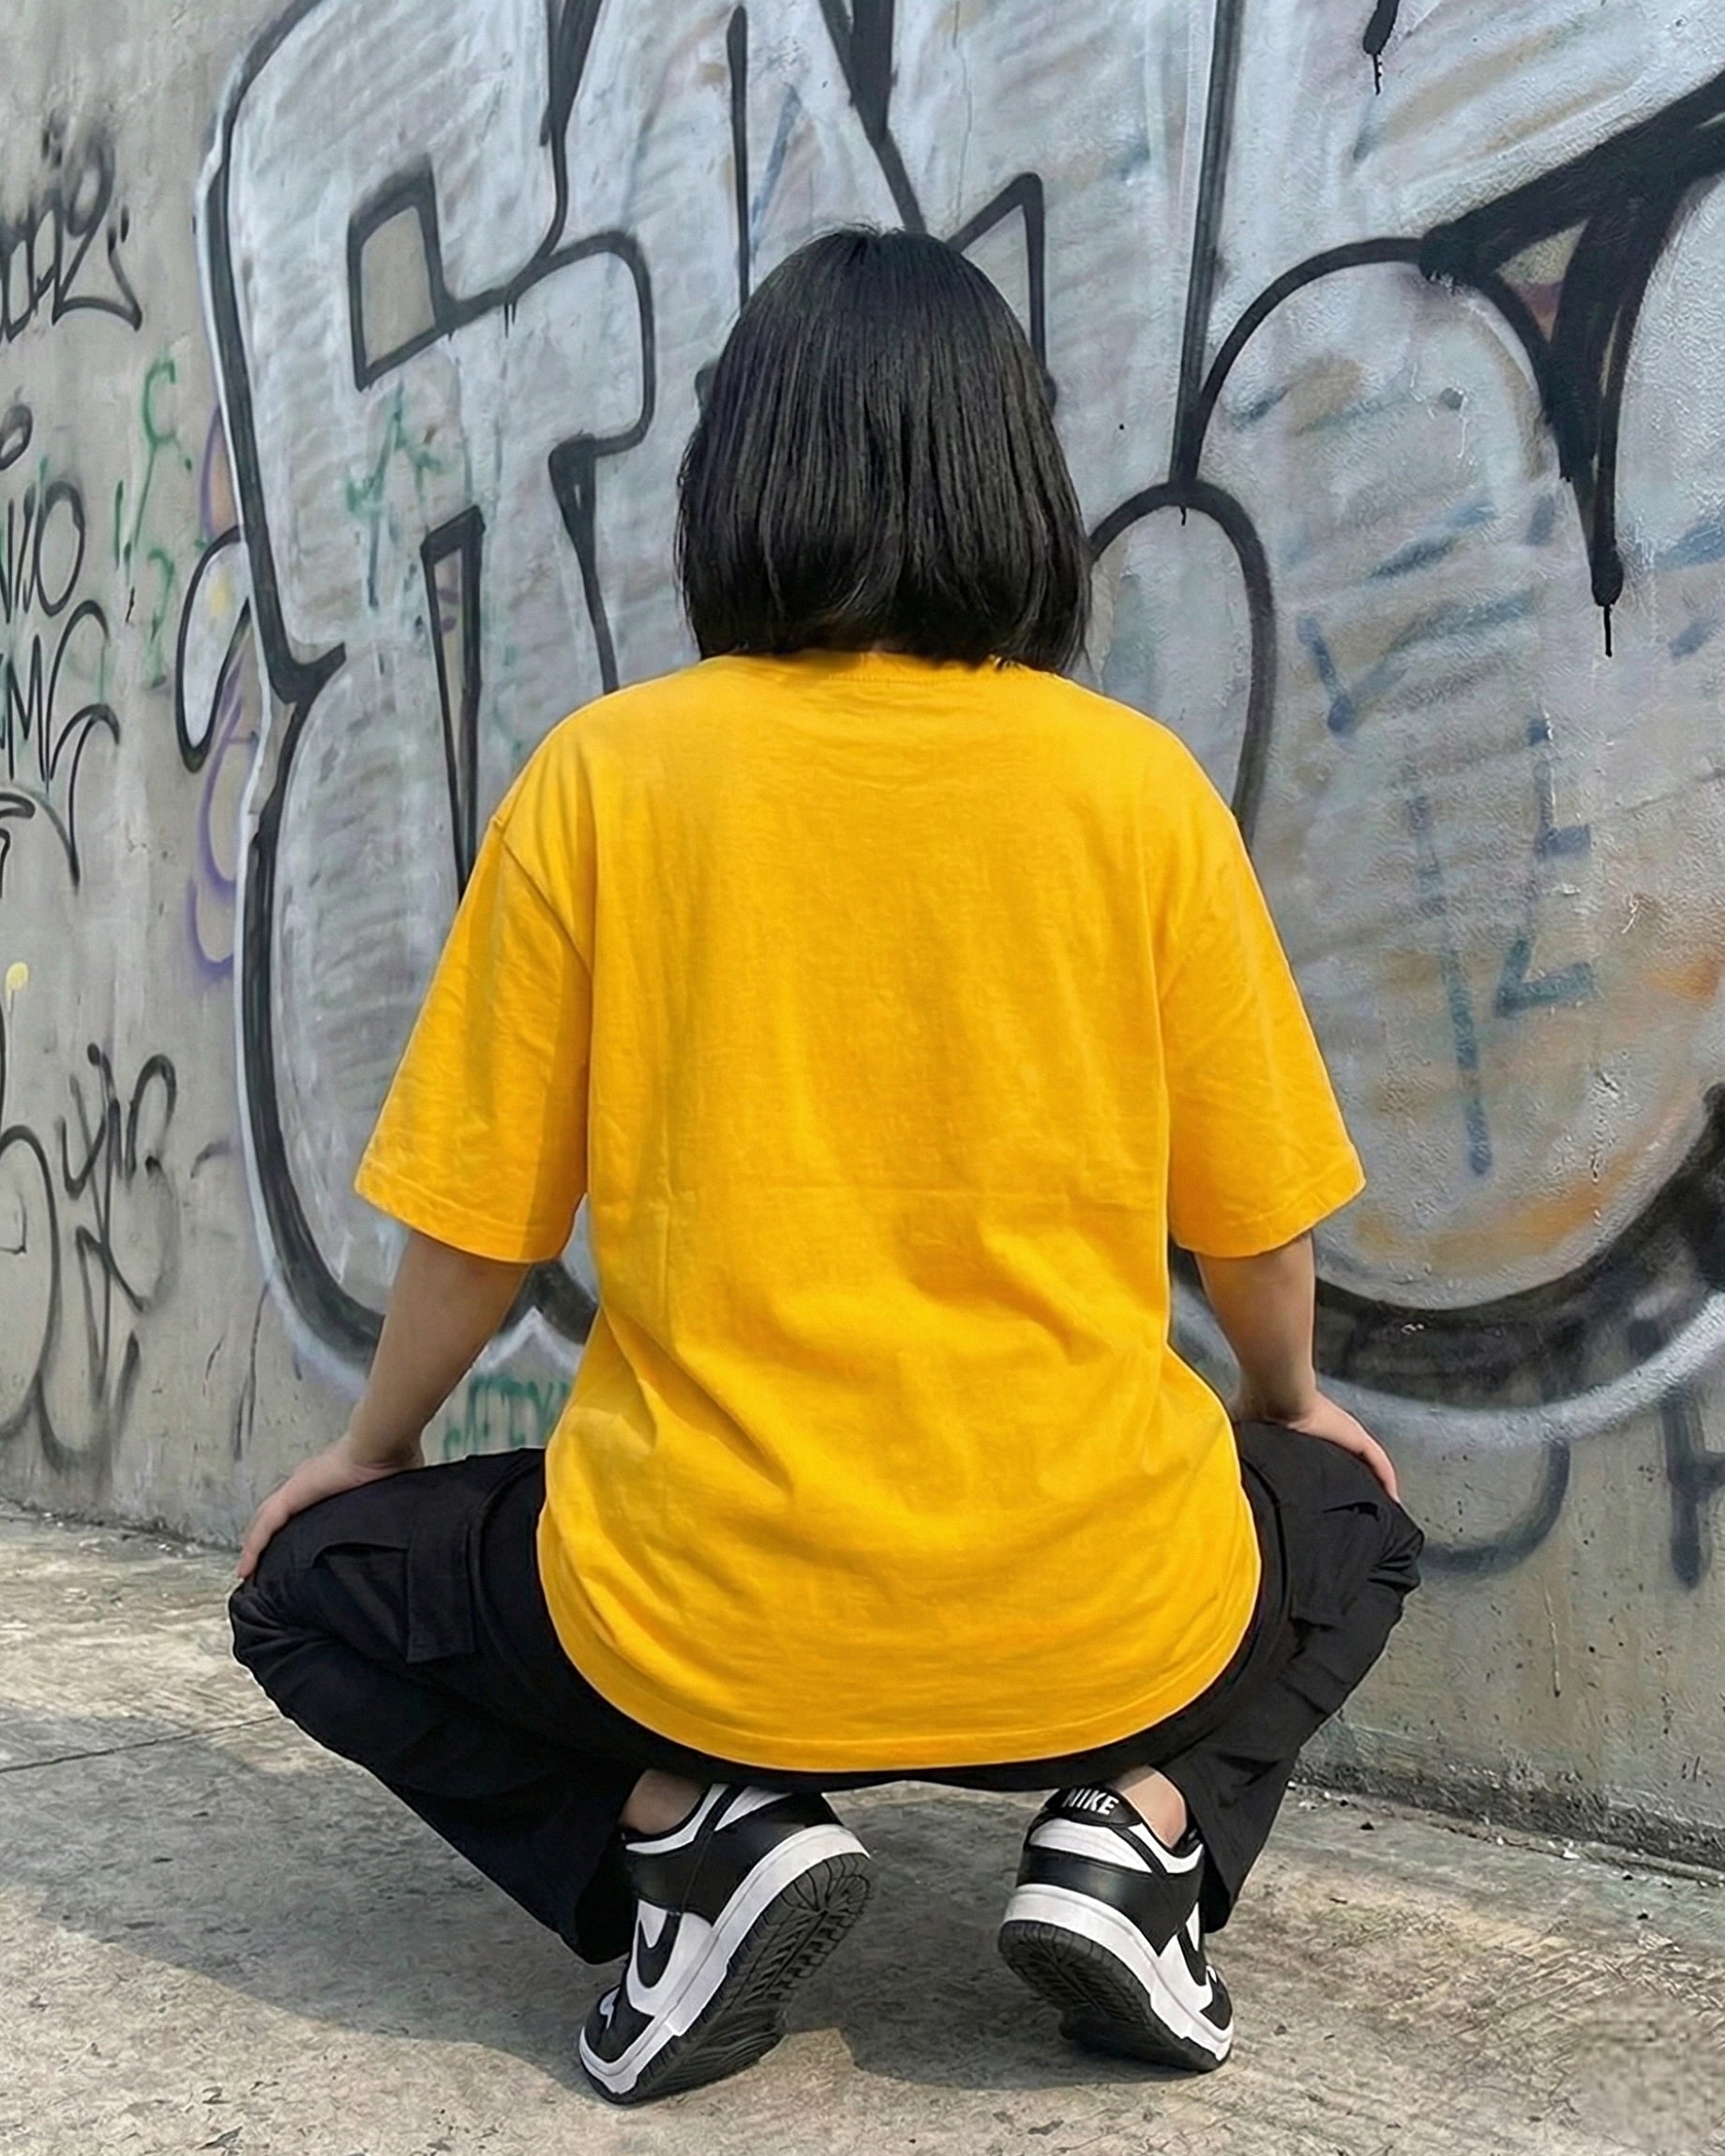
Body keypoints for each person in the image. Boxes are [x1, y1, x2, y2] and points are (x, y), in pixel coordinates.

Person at [229, 226, 1422, 2108]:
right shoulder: (1137, 790)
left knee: (302, 1587)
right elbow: (1255, 1225)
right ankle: (1138, 1834)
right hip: (1095, 1613)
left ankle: (685, 1833)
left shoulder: (603, 778)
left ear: (736, 477)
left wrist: (367, 1455)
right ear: (1017, 479)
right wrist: (1292, 1408)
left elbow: (475, 1229)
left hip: (701, 1621)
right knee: (1351, 1514)